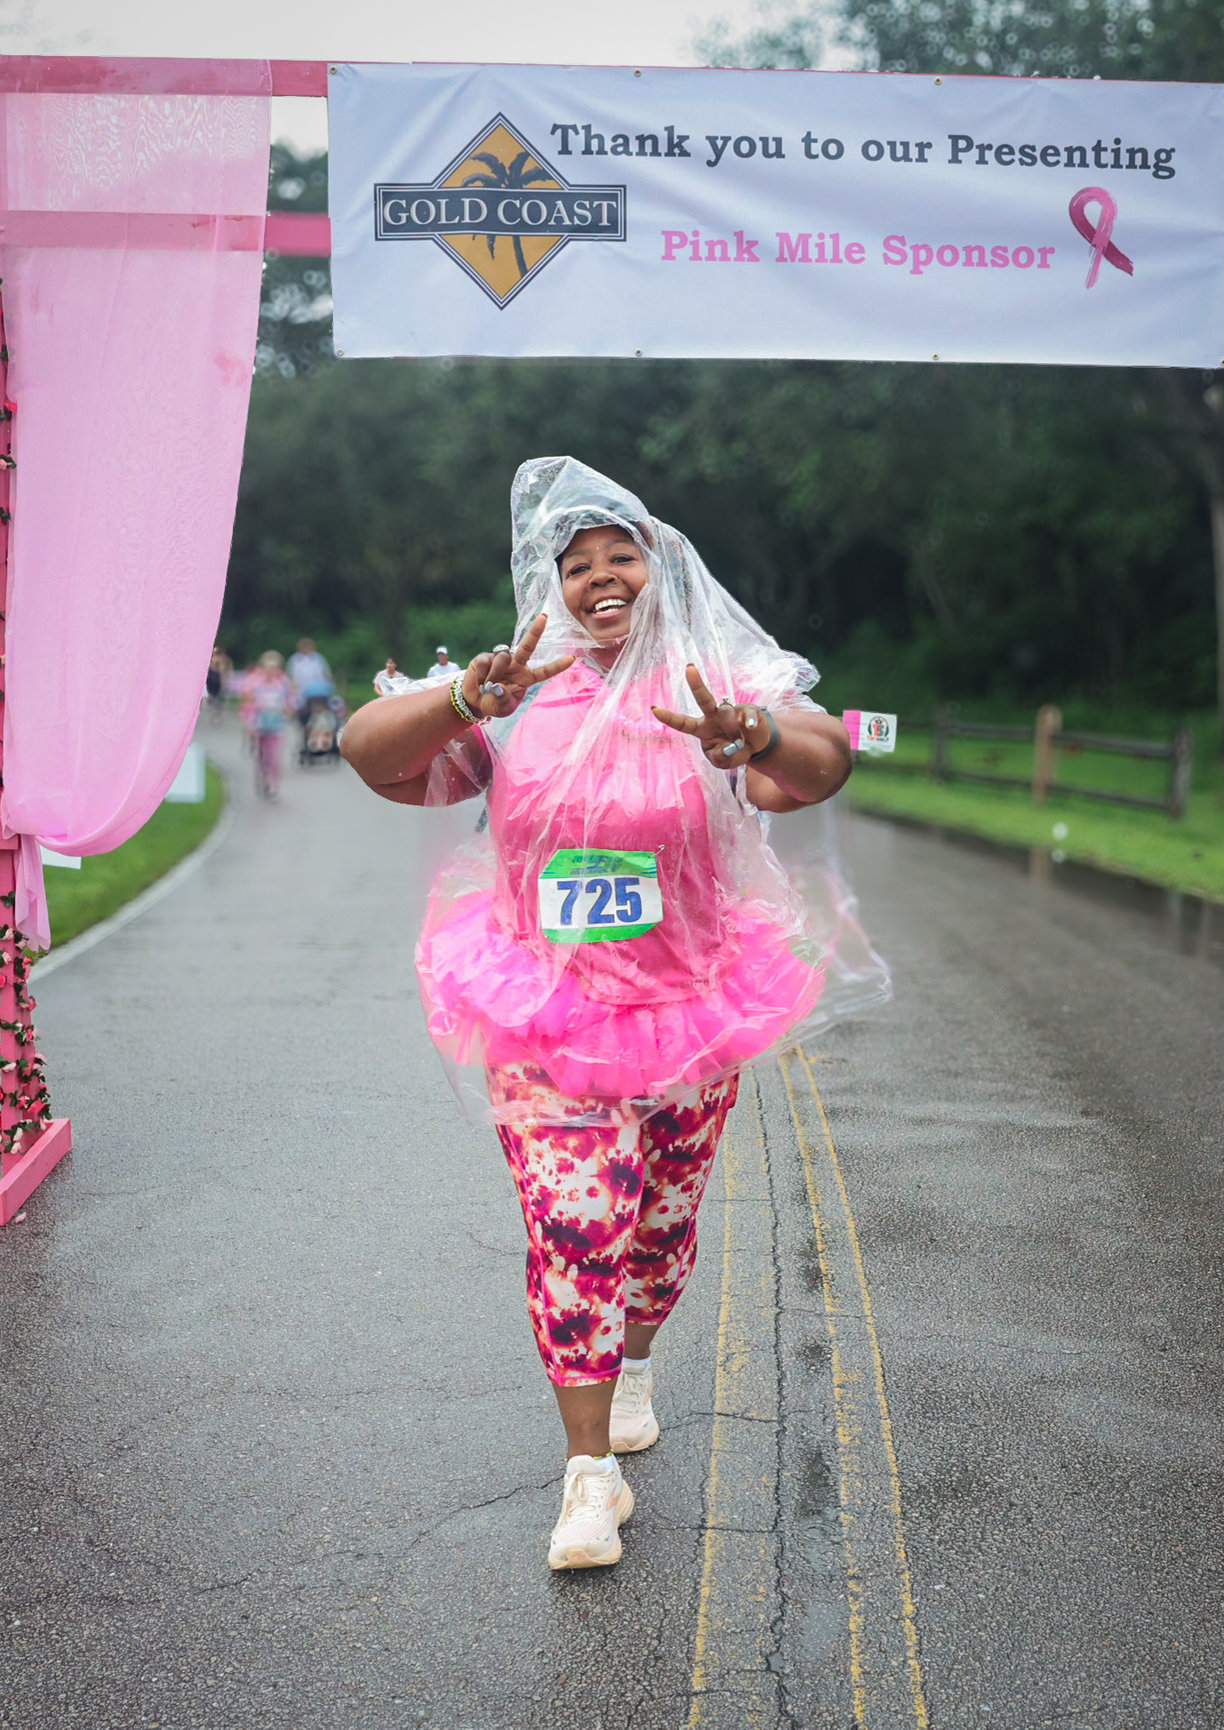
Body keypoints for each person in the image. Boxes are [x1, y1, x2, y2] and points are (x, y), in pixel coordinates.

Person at [340, 458, 881, 1572]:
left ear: (658, 566)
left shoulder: (716, 679)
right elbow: (367, 753)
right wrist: (458, 699)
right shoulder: (516, 686)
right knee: (574, 1229)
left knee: (660, 1231)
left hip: (690, 1009)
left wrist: (753, 736)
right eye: (574, 563)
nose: (599, 578)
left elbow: (817, 768)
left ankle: (635, 1361)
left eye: (618, 556)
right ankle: (589, 1476)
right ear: (549, 586)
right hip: (549, 1018)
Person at [247, 650, 297, 798]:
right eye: (267, 667)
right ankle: (262, 780)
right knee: (262, 757)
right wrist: (251, 720)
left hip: (276, 726)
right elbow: (249, 704)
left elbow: (293, 702)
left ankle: (271, 783)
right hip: (260, 725)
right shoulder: (256, 684)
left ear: (278, 669)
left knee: (273, 756)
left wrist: (287, 710)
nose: (270, 670)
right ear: (262, 668)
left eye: (273, 667)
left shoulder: (283, 685)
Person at [287, 636, 333, 701]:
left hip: (316, 688)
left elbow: (326, 672)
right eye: (304, 646)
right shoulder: (294, 659)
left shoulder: (318, 658)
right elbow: (289, 675)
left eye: (308, 646)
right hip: (299, 688)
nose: (306, 648)